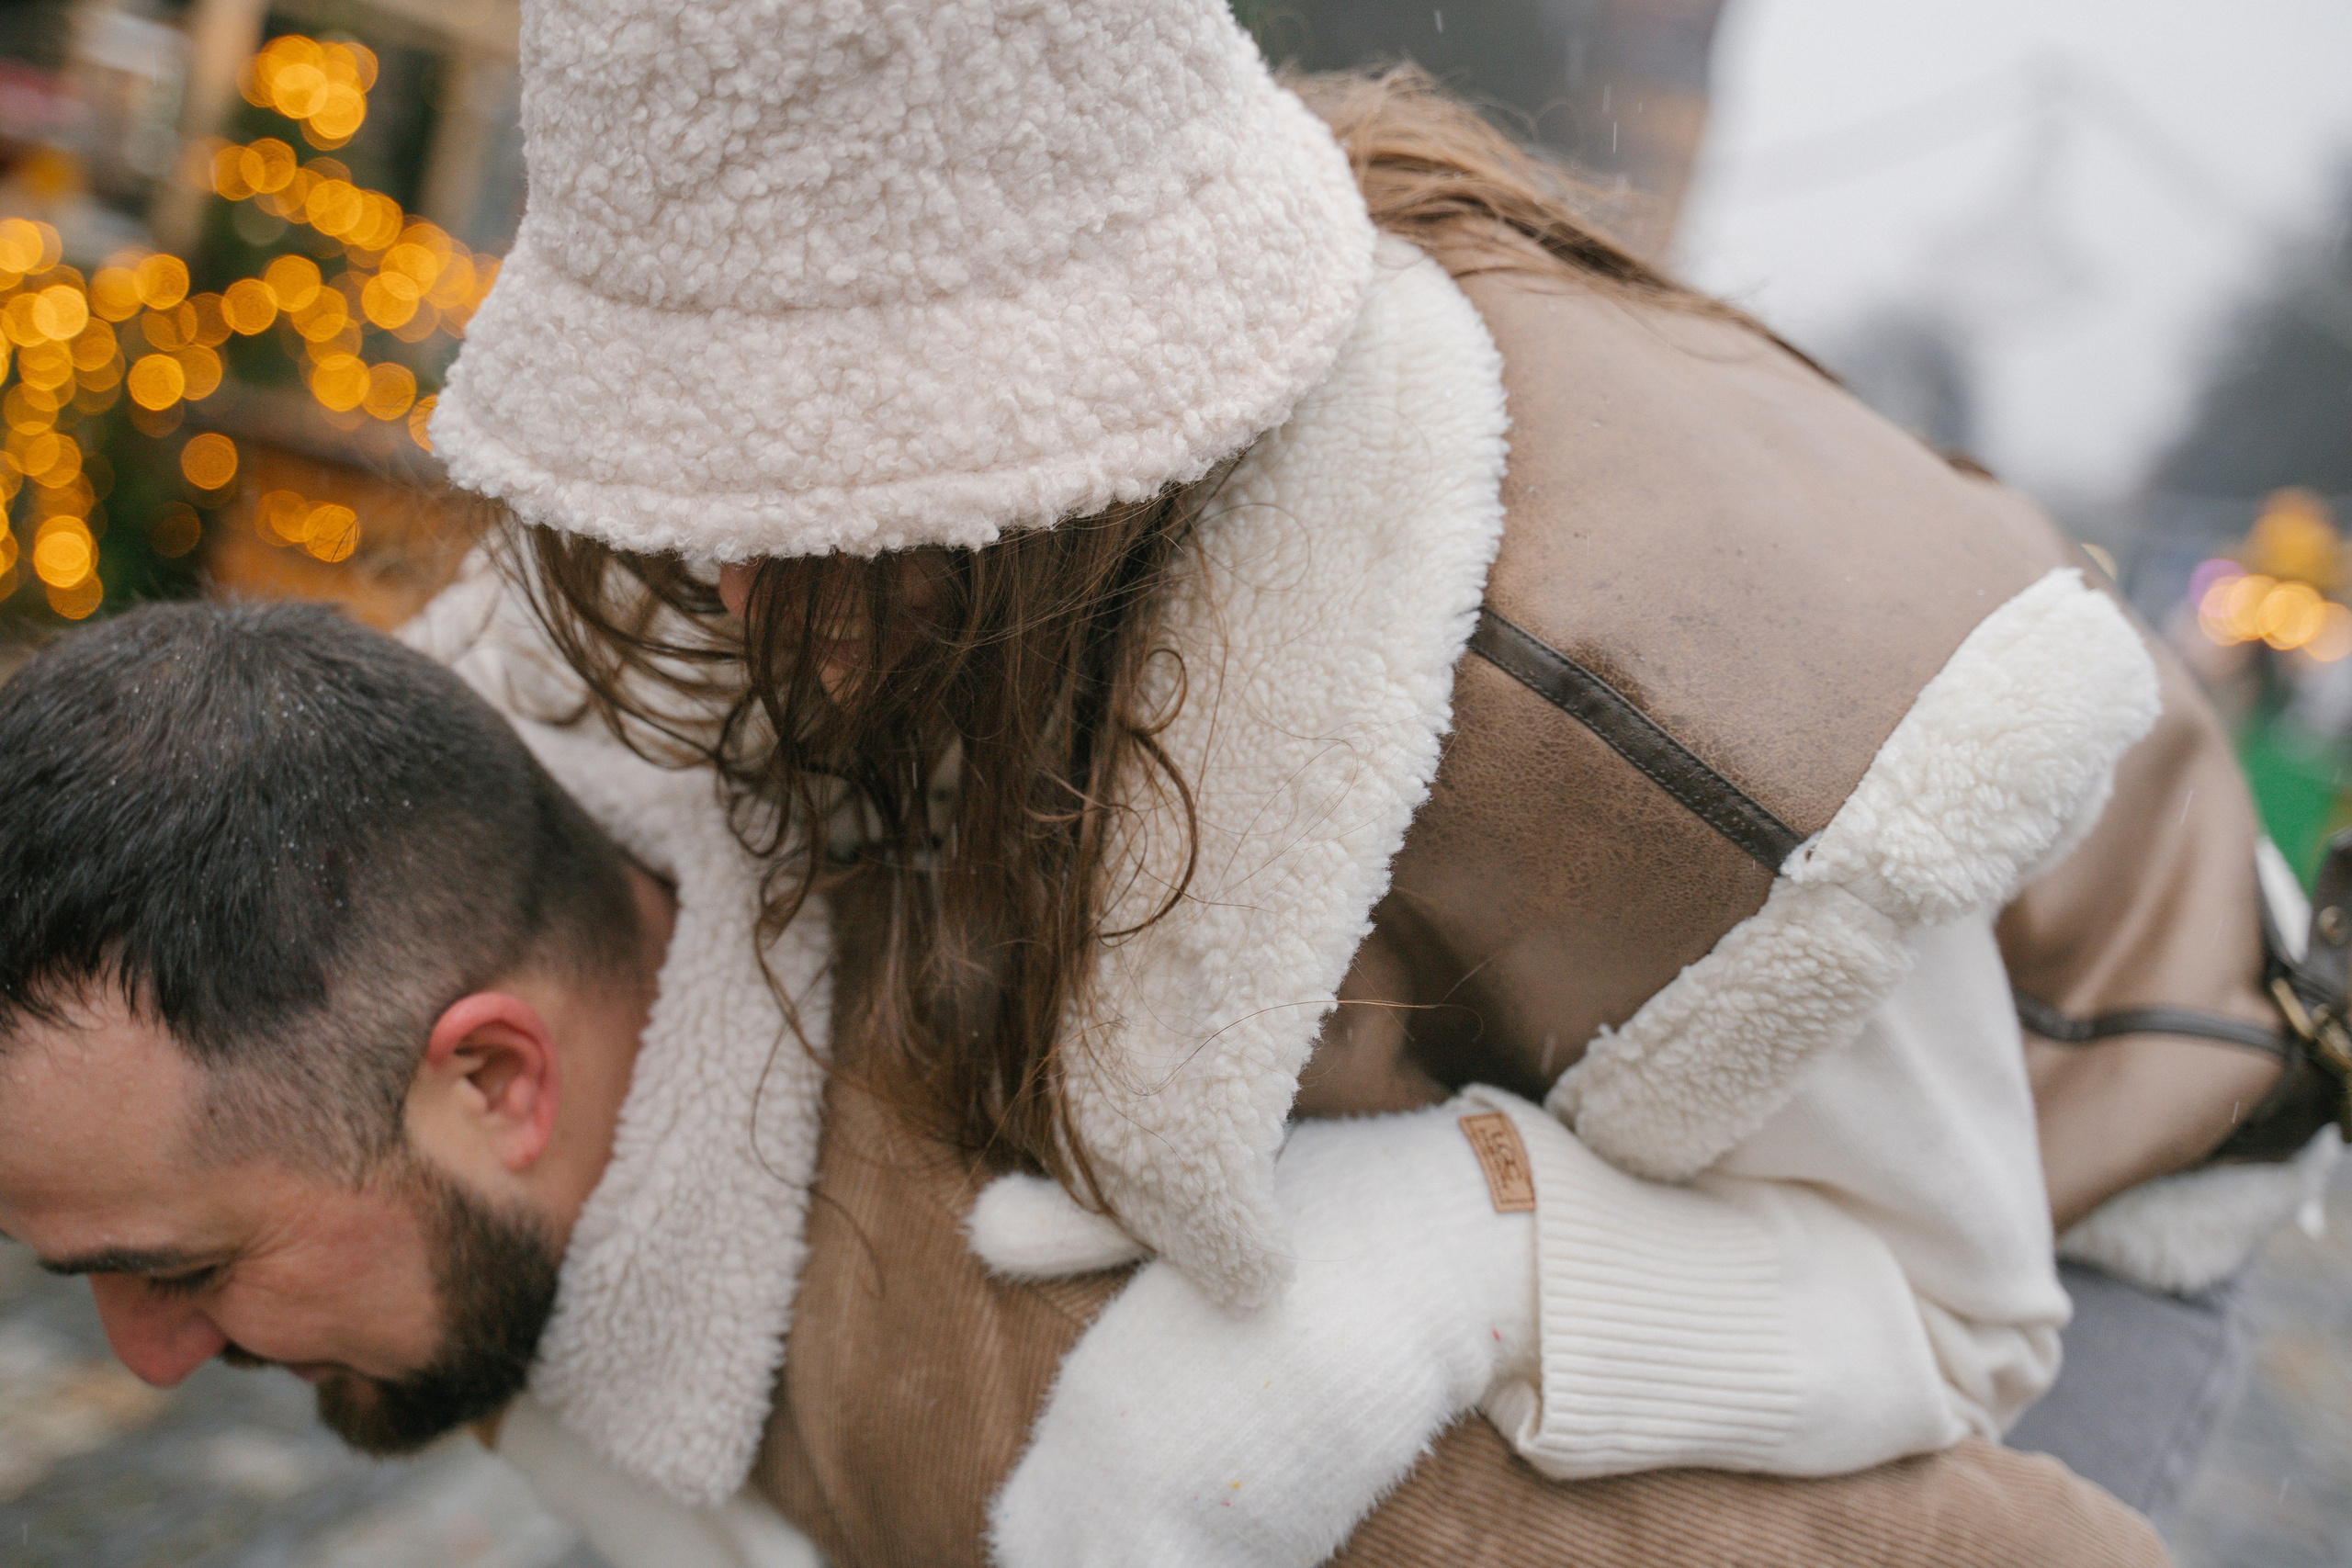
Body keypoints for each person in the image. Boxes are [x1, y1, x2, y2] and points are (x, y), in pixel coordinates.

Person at [423, 0, 2331, 1552]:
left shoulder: (1611, 700)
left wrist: (1418, 1264)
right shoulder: (921, 477)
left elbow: (1956, 1312)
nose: (731, 586)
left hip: (2065, 1163)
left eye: (802, 478)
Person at [0, 601, 2165, 1568]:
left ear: (497, 1079)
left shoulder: (1107, 1380)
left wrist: (1467, 1245)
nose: (147, 1354)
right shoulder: (470, 987)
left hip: (2130, 1074)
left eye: (179, 1264)